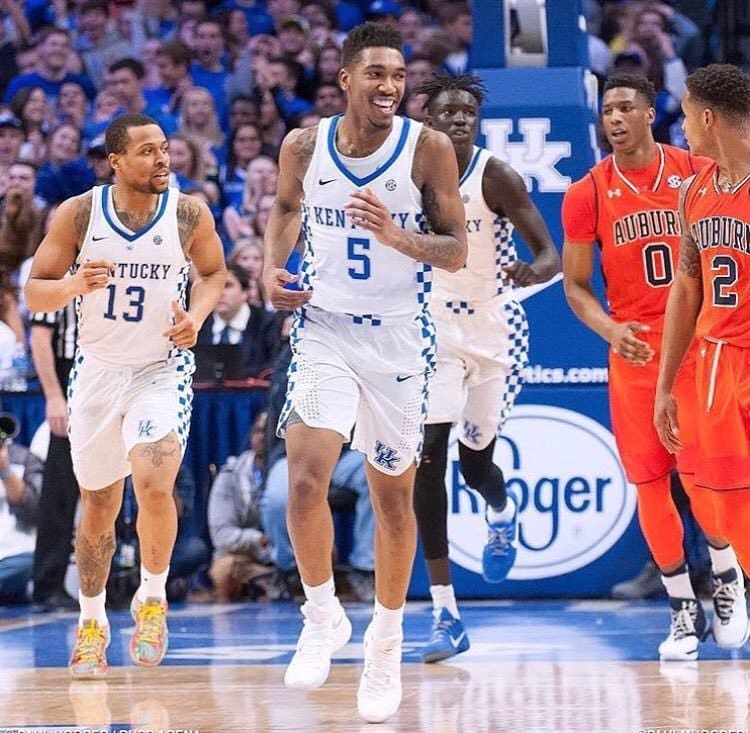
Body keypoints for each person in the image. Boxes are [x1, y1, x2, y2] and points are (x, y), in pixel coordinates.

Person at [262, 22, 467, 724]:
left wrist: (395, 235)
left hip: (401, 344)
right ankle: (321, 614)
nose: (388, 86)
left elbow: (455, 250)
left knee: (393, 504)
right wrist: (270, 269)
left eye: (397, 75)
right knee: (304, 480)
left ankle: (385, 636)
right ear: (344, 78)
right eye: (375, 73)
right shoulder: (303, 144)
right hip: (324, 329)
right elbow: (287, 208)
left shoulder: (428, 148)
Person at [24, 112, 226, 678]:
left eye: (165, 149)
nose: (163, 159)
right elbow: (35, 294)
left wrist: (199, 316)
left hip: (161, 368)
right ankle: (92, 622)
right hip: (97, 371)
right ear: (116, 161)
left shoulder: (188, 213)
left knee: (155, 481)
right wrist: (72, 285)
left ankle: (153, 600)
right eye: (148, 151)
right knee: (99, 508)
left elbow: (212, 272)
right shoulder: (80, 213)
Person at [562, 73, 748, 662]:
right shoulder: (589, 191)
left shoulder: (693, 172)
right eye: (606, 110)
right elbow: (575, 287)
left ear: (649, 113)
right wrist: (610, 330)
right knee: (653, 483)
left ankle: (724, 573)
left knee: (708, 485)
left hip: (709, 349)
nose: (614, 118)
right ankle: (681, 608)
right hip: (643, 352)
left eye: (625, 107)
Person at [412, 73, 560, 663]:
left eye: (467, 114)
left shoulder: (495, 175)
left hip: (493, 329)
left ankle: (500, 510)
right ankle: (446, 613)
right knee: (430, 458)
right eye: (447, 113)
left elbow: (550, 251)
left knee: (476, 465)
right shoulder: (409, 176)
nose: (458, 122)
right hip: (430, 329)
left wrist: (534, 270)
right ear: (429, 122)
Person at [655, 64, 750, 639]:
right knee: (726, 506)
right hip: (714, 361)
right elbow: (685, 288)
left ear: (709, 118)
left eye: (687, 115)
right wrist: (667, 383)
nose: (683, 126)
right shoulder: (694, 190)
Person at [29, 298, 79, 612]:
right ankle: (48, 583)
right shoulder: (59, 269)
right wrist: (54, 396)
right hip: (70, 371)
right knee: (60, 486)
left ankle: (116, 581)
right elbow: (39, 336)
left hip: (113, 369)